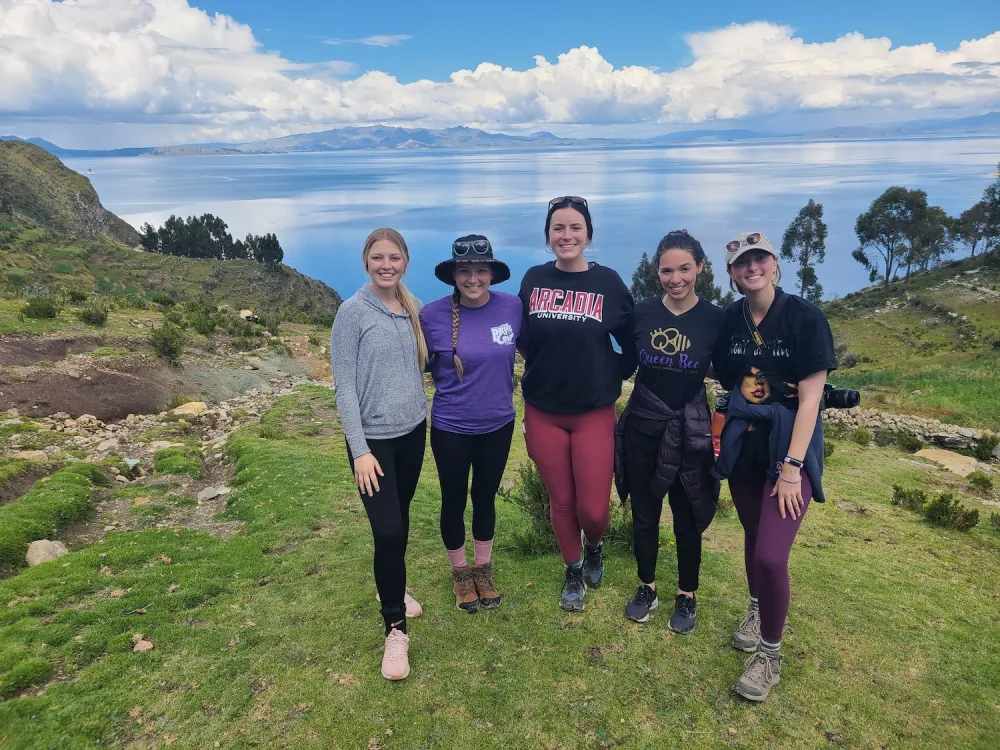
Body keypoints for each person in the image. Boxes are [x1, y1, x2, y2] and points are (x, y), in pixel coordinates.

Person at [711, 231, 837, 702]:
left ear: (775, 262)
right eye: (742, 263)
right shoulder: (731, 320)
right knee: (751, 535)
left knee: (770, 554)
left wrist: (792, 468)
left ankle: (770, 653)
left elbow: (811, 401)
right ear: (731, 274)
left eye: (759, 258)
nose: (752, 268)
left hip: (790, 448)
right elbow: (728, 379)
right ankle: (756, 606)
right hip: (745, 444)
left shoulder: (805, 317)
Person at [518, 196, 634, 612]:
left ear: (588, 234)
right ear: (548, 237)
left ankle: (596, 544)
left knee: (594, 509)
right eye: (558, 228)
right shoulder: (533, 279)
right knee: (561, 500)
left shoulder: (608, 283)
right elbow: (525, 338)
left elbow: (632, 338)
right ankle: (573, 567)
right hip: (544, 409)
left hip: (593, 412)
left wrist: (612, 372)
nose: (567, 235)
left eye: (575, 228)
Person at [330, 228, 429, 681]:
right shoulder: (352, 313)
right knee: (388, 531)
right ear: (366, 261)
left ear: (405, 261)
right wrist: (360, 450)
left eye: (394, 257)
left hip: (412, 432)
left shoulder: (410, 308)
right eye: (378, 258)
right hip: (373, 443)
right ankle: (395, 629)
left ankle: (395, 586)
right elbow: (344, 388)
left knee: (401, 519)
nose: (386, 265)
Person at [614, 230, 724, 633]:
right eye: (666, 270)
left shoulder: (716, 319)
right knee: (644, 514)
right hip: (643, 427)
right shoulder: (641, 314)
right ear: (656, 272)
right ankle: (647, 587)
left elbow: (732, 371)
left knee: (687, 515)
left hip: (689, 430)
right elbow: (624, 364)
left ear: (699, 268)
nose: (675, 278)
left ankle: (687, 594)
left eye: (684, 269)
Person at [419, 235, 522, 613]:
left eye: (481, 270)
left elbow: (538, 352)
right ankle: (461, 574)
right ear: (454, 275)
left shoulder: (512, 307)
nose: (473, 278)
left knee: (484, 498)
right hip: (451, 427)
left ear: (492, 273)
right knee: (453, 500)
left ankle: (483, 569)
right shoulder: (431, 315)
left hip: (498, 423)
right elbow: (414, 362)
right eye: (465, 271)